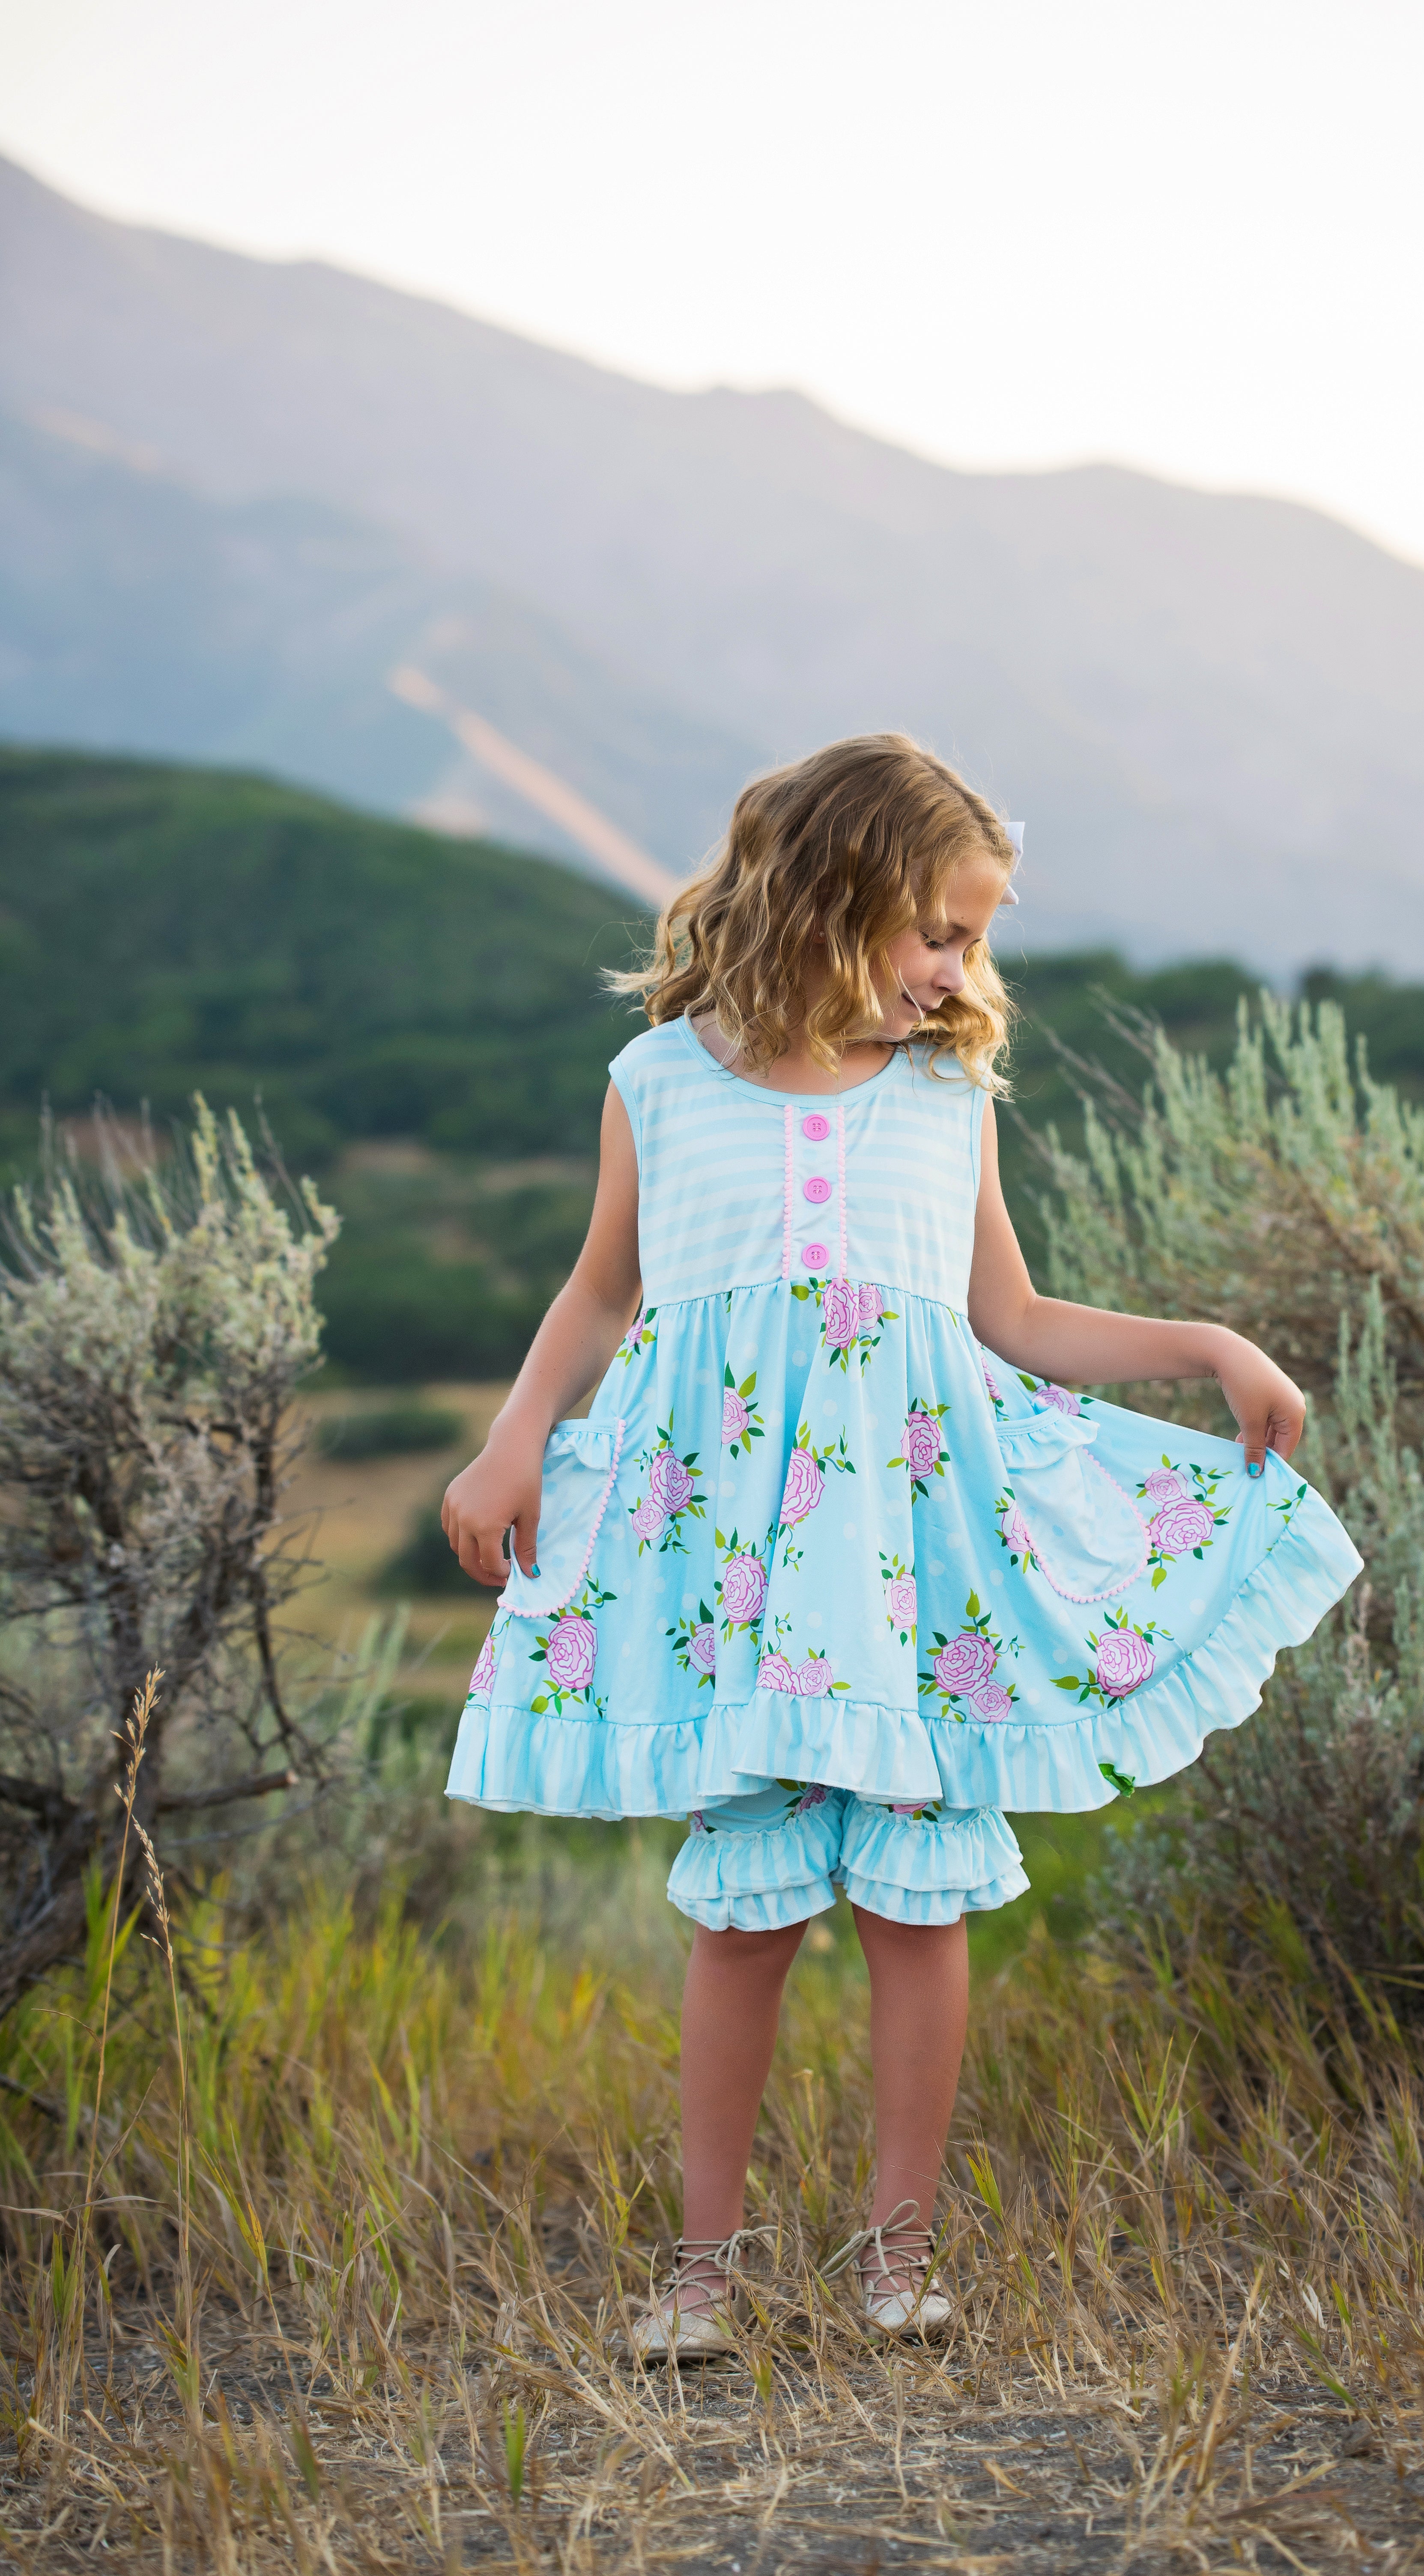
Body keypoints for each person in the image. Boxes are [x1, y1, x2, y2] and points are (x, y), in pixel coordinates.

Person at [441, 734, 1361, 2357]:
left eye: (974, 939)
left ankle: (896, 2257)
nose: (958, 969)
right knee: (744, 1916)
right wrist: (516, 1438)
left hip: (913, 1557)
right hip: (734, 1563)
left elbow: (1014, 1320)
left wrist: (1211, 1341)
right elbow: (602, 1289)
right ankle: (703, 2273)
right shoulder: (661, 1080)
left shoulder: (949, 1095)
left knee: (918, 1909)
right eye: (936, 929)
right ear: (827, 896)